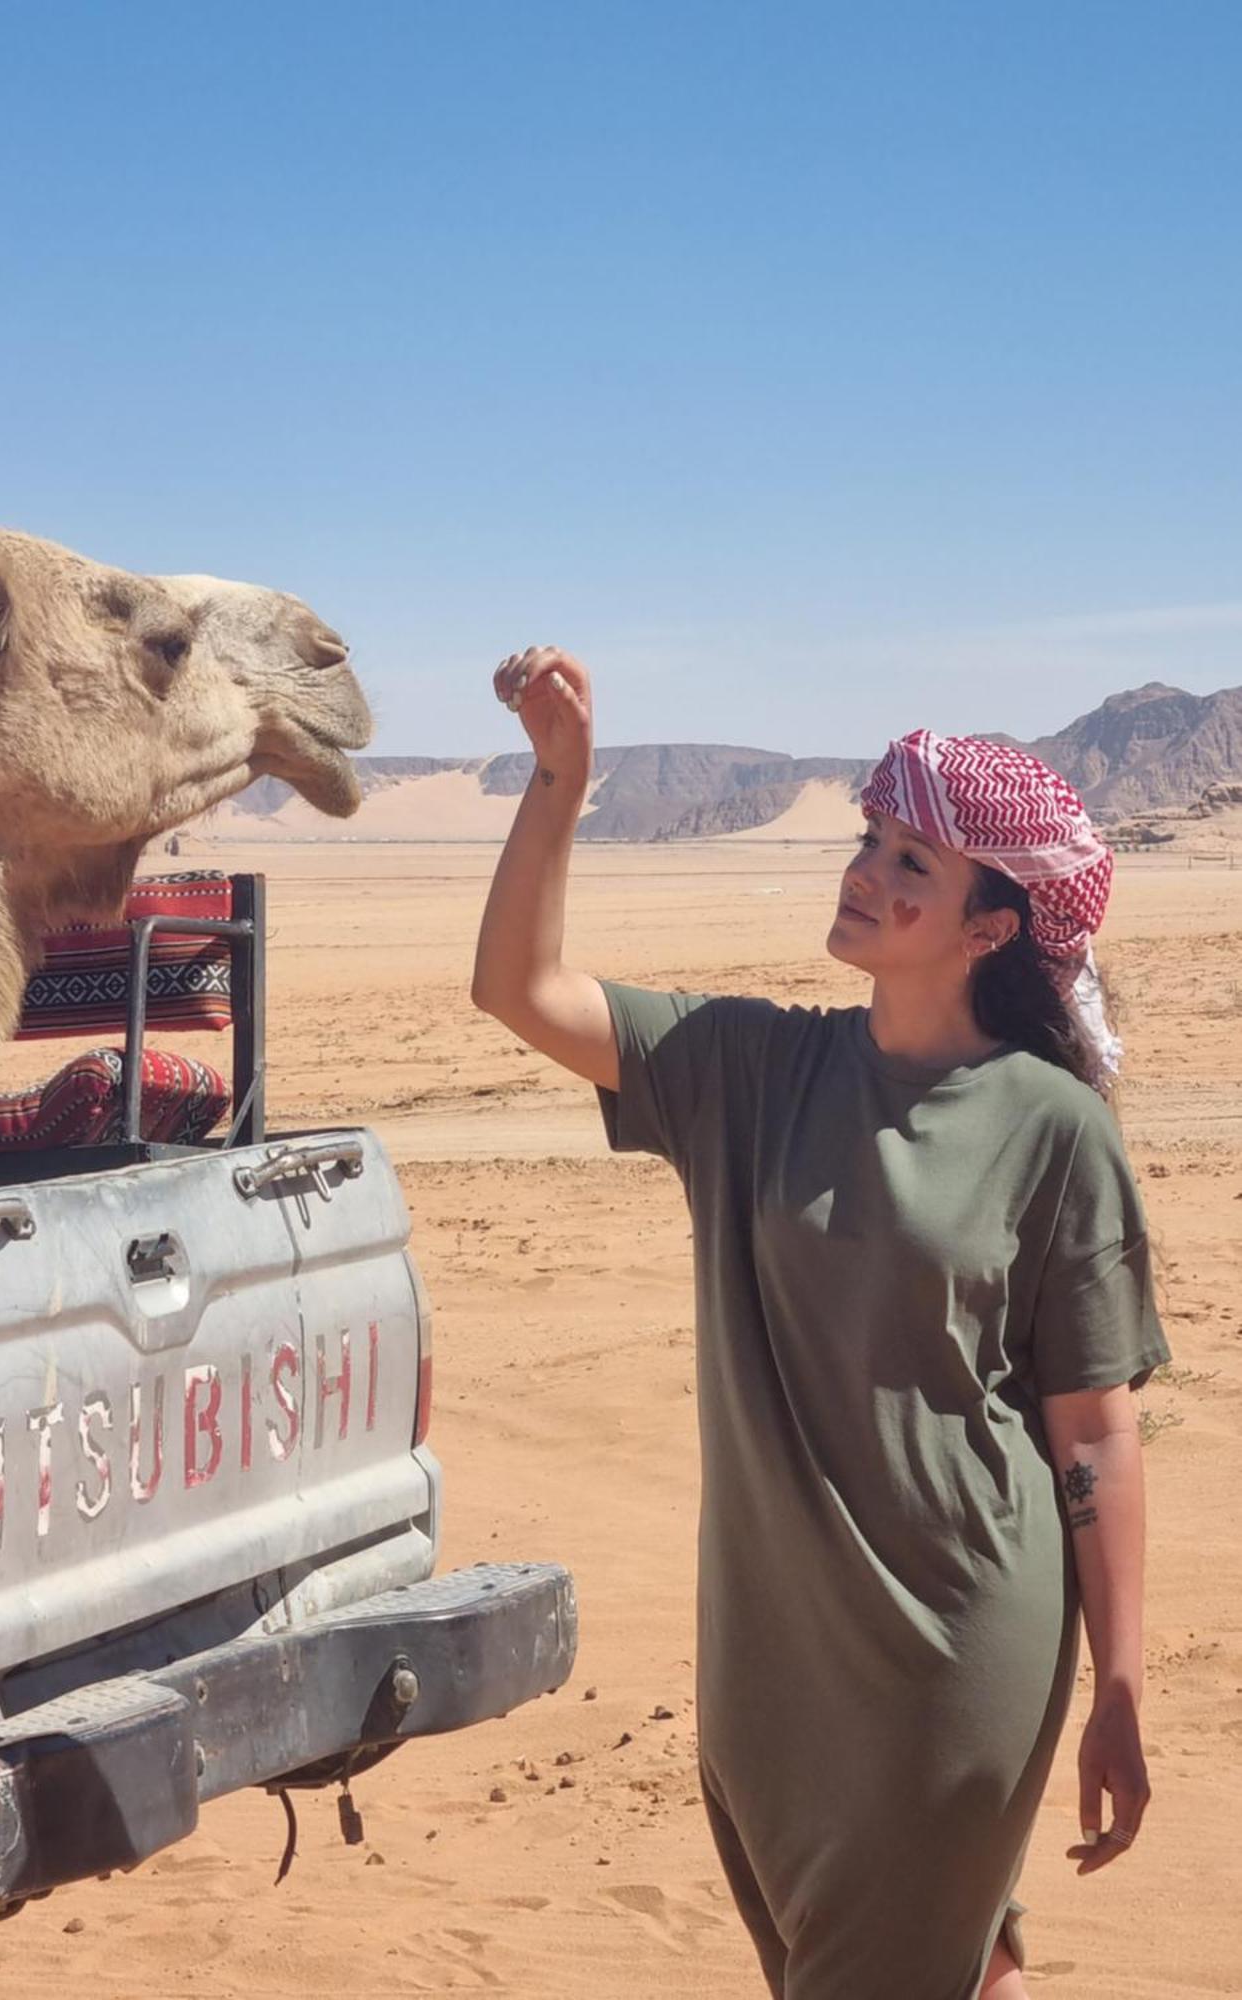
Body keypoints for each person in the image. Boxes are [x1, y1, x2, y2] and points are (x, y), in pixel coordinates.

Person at [471, 648, 1169, 2000]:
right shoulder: (751, 1069)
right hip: (767, 1666)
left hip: (950, 1653)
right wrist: (557, 779)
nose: (869, 871)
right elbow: (522, 989)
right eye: (873, 838)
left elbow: (1096, 1433)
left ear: (992, 927)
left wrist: (1123, 1686)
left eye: (916, 863)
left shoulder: (1052, 1130)